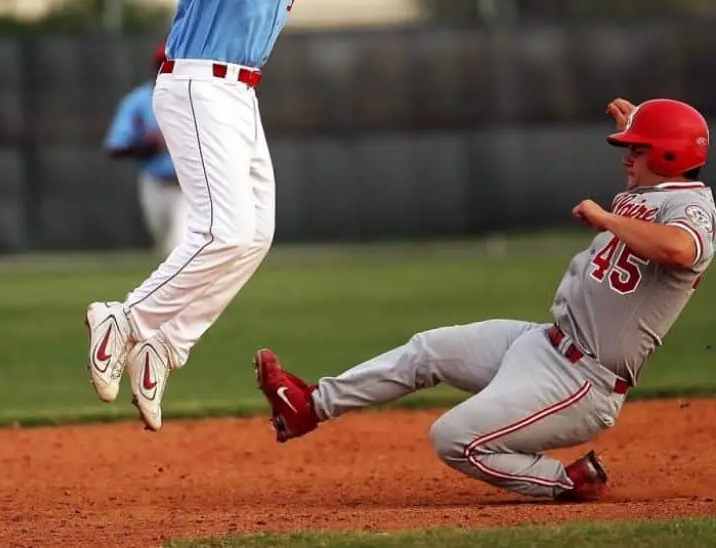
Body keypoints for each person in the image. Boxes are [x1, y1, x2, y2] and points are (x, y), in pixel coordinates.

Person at [85, 0, 404, 431]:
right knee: (223, 230)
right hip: (198, 81)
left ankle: (164, 345)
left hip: (240, 92)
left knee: (255, 235)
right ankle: (122, 319)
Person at [255, 97, 713, 502]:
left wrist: (603, 217)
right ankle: (308, 407)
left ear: (669, 154)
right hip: (543, 343)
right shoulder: (657, 190)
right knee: (427, 350)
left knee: (453, 438)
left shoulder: (693, 209)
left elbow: (679, 249)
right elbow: (659, 184)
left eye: (638, 148)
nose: (626, 156)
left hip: (583, 380)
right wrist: (642, 121)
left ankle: (566, 481)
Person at [103, 43, 187, 256]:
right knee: (163, 245)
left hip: (189, 186)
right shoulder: (139, 101)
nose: (166, 70)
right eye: (162, 65)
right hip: (155, 182)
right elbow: (115, 148)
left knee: (180, 245)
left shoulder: (194, 97)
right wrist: (148, 146)